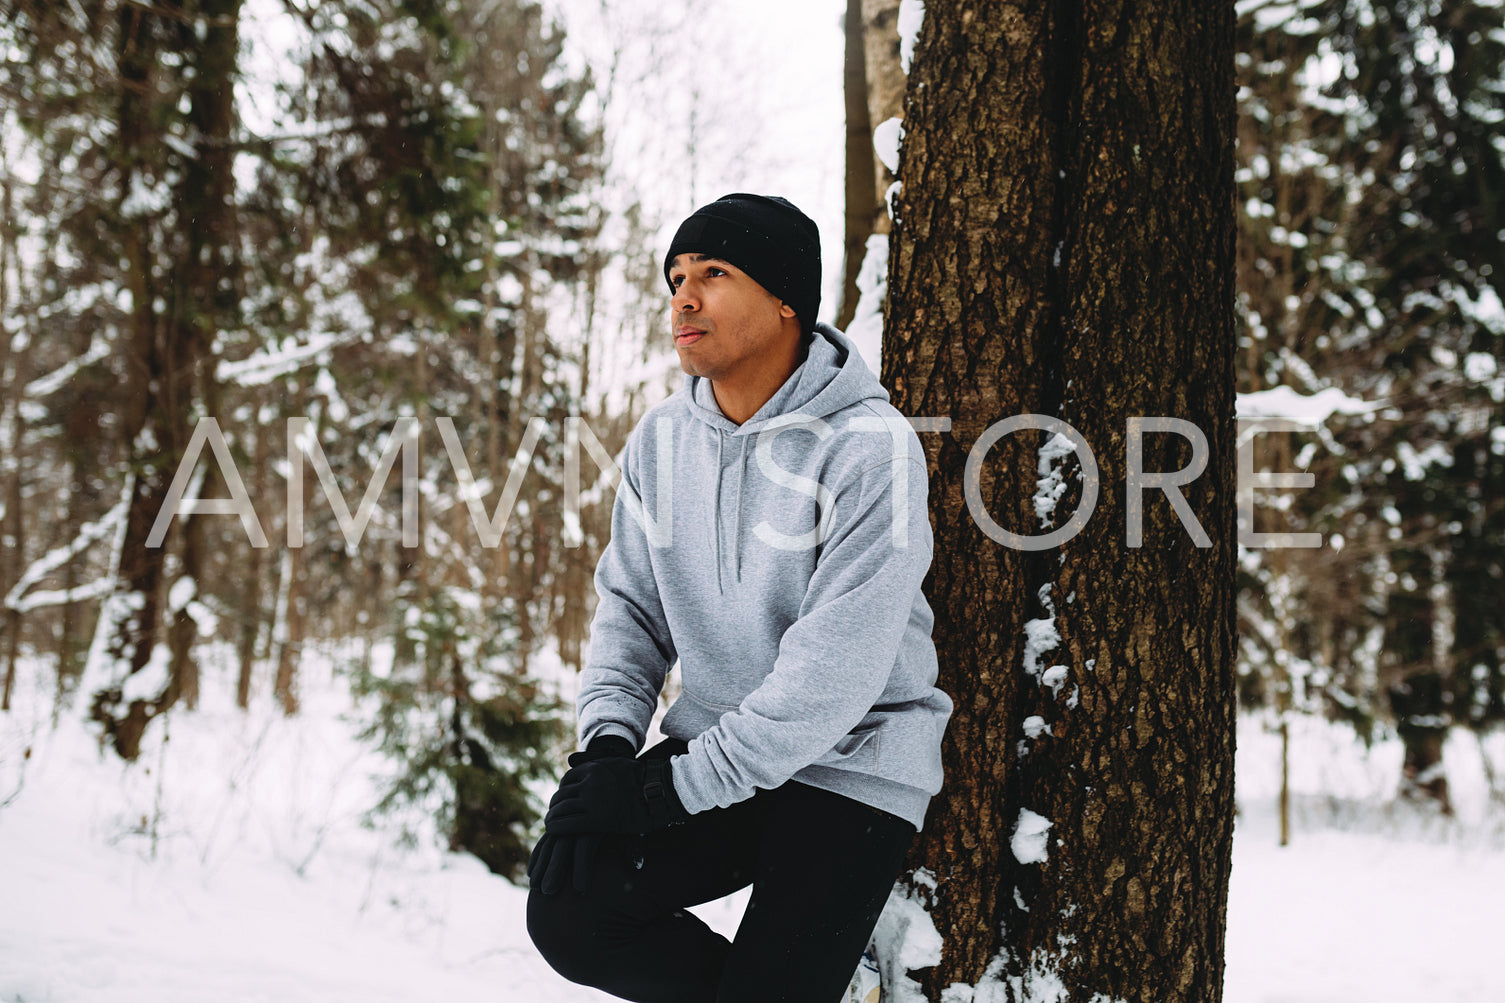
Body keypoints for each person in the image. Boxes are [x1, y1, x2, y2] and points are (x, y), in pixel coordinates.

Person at [526, 193, 952, 1003]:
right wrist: (609, 748)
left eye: (713, 273)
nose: (682, 297)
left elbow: (833, 675)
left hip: (850, 769)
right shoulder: (661, 438)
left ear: (786, 297)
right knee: (570, 911)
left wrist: (657, 793)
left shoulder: (869, 449)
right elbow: (631, 609)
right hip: (720, 751)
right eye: (675, 277)